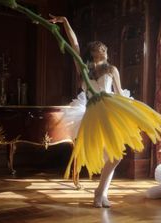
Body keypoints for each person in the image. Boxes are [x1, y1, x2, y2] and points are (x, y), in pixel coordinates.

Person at [49, 15, 129, 208]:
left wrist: (130, 111)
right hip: (92, 113)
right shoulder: (83, 68)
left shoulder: (112, 70)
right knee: (108, 156)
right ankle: (100, 193)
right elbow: (74, 45)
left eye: (104, 49)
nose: (103, 51)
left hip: (110, 112)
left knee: (115, 156)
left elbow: (119, 93)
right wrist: (66, 23)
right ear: (93, 52)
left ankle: (100, 192)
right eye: (99, 49)